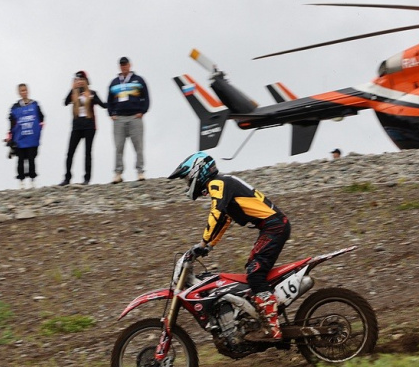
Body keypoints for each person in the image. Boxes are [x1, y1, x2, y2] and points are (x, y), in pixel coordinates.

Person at [169, 152, 291, 339]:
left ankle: (273, 328)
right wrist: (209, 245)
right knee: (253, 270)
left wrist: (202, 242)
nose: (187, 183)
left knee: (255, 273)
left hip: (273, 227)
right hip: (272, 226)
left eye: (187, 178)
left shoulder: (217, 183)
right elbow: (225, 219)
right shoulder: (222, 182)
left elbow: (216, 213)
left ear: (197, 172)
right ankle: (262, 312)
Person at [106, 56, 149, 184]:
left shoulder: (138, 80)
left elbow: (146, 97)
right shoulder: (114, 82)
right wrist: (111, 114)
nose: (124, 66)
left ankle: (140, 171)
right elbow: (109, 100)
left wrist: (142, 111)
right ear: (119, 66)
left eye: (125, 64)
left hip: (135, 117)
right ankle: (118, 173)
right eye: (121, 65)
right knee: (119, 146)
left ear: (130, 65)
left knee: (138, 146)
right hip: (119, 118)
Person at [60, 71, 104, 186]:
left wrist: (115, 105)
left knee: (87, 152)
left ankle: (87, 178)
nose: (79, 81)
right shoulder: (74, 93)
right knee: (70, 152)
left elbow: (103, 105)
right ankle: (67, 178)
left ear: (86, 81)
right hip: (77, 127)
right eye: (77, 80)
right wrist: (72, 89)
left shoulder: (92, 93)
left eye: (81, 79)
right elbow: (65, 102)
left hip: (89, 126)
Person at [7, 83, 44, 189]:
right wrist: (10, 136)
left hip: (32, 138)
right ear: (19, 92)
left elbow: (41, 118)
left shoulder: (35, 104)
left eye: (25, 90)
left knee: (32, 159)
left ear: (28, 91)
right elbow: (12, 121)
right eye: (22, 90)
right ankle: (21, 182)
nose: (24, 92)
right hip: (20, 139)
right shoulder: (15, 107)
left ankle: (33, 181)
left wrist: (38, 130)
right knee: (21, 160)